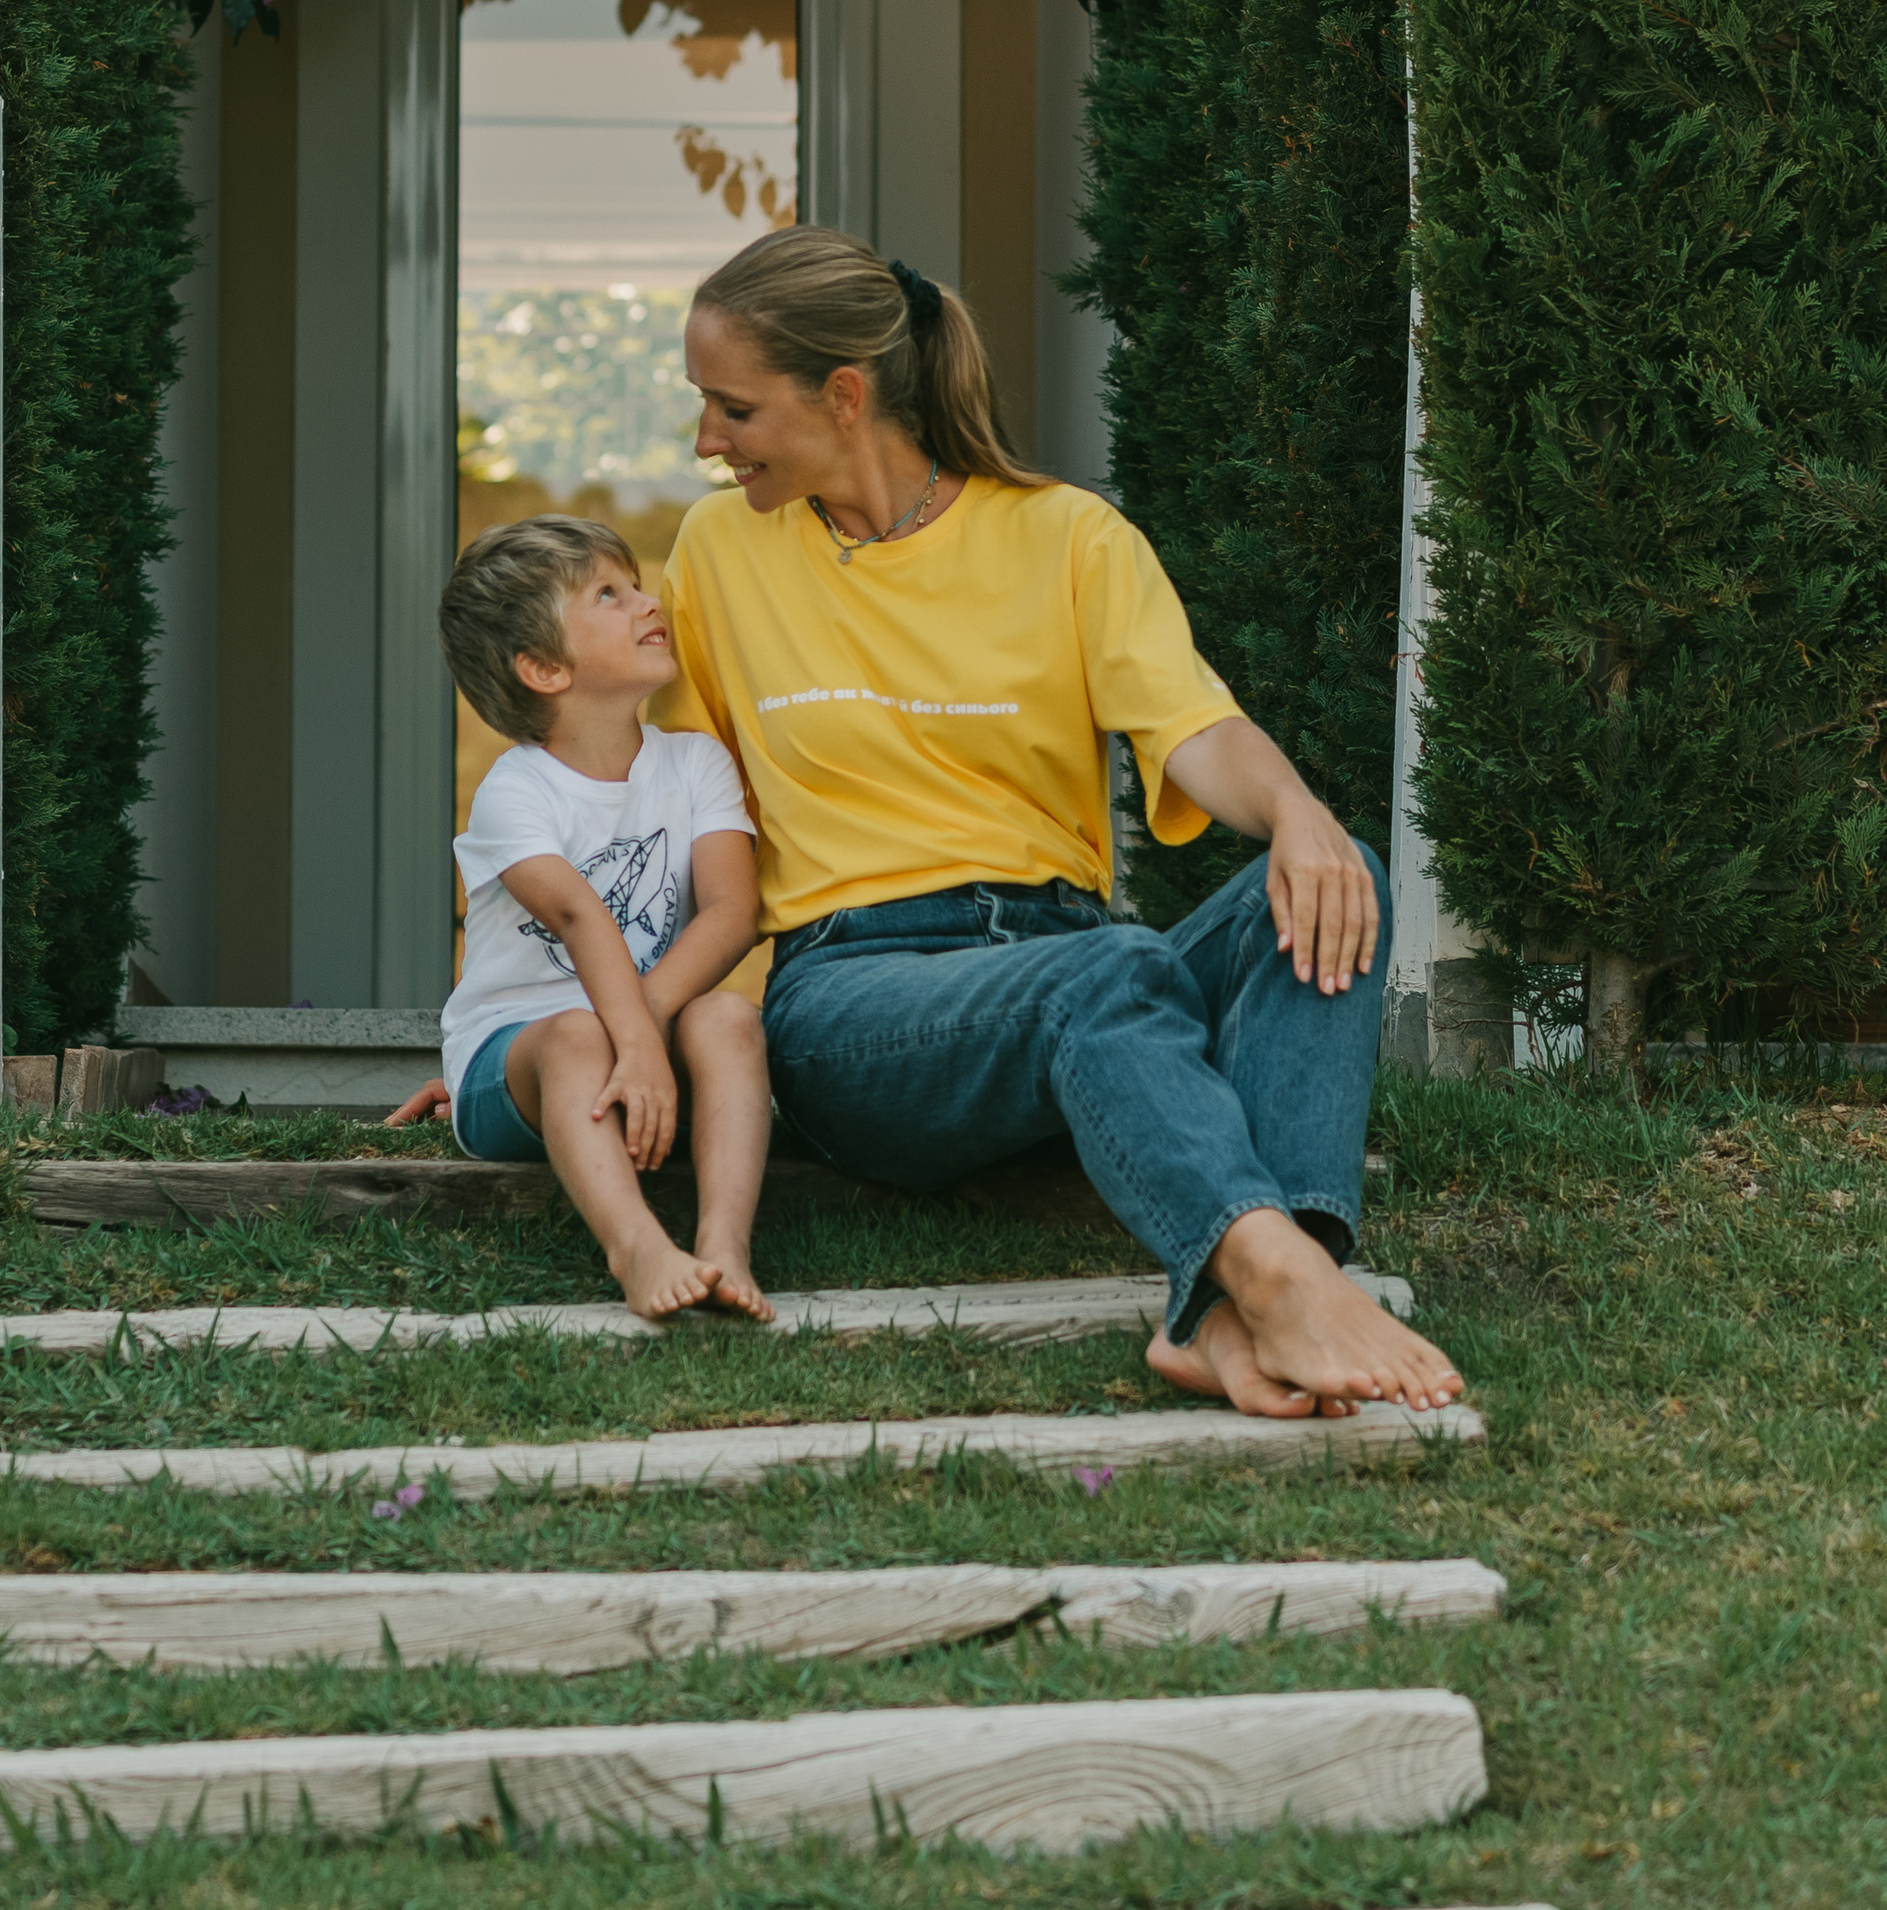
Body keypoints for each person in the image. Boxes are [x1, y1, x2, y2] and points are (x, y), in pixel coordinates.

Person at [652, 225, 1463, 1422]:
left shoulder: (1066, 537)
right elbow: (668, 816)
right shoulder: (718, 553)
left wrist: (1296, 812)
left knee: (1336, 878)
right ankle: (1283, 1277)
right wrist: (558, 1019)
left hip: (1071, 965)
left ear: (841, 395)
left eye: (731, 409)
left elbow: (1193, 730)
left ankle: (1253, 1308)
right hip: (857, 1002)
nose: (706, 442)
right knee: (1112, 967)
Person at [430, 513, 774, 1323]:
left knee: (727, 1017)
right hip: (513, 1061)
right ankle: (638, 1248)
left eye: (636, 584)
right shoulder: (515, 791)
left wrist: (643, 1036)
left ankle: (725, 1245)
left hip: (640, 1048)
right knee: (576, 1034)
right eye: (609, 595)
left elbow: (734, 910)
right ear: (545, 667)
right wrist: (629, 1042)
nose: (647, 602)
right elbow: (583, 920)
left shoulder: (696, 763)